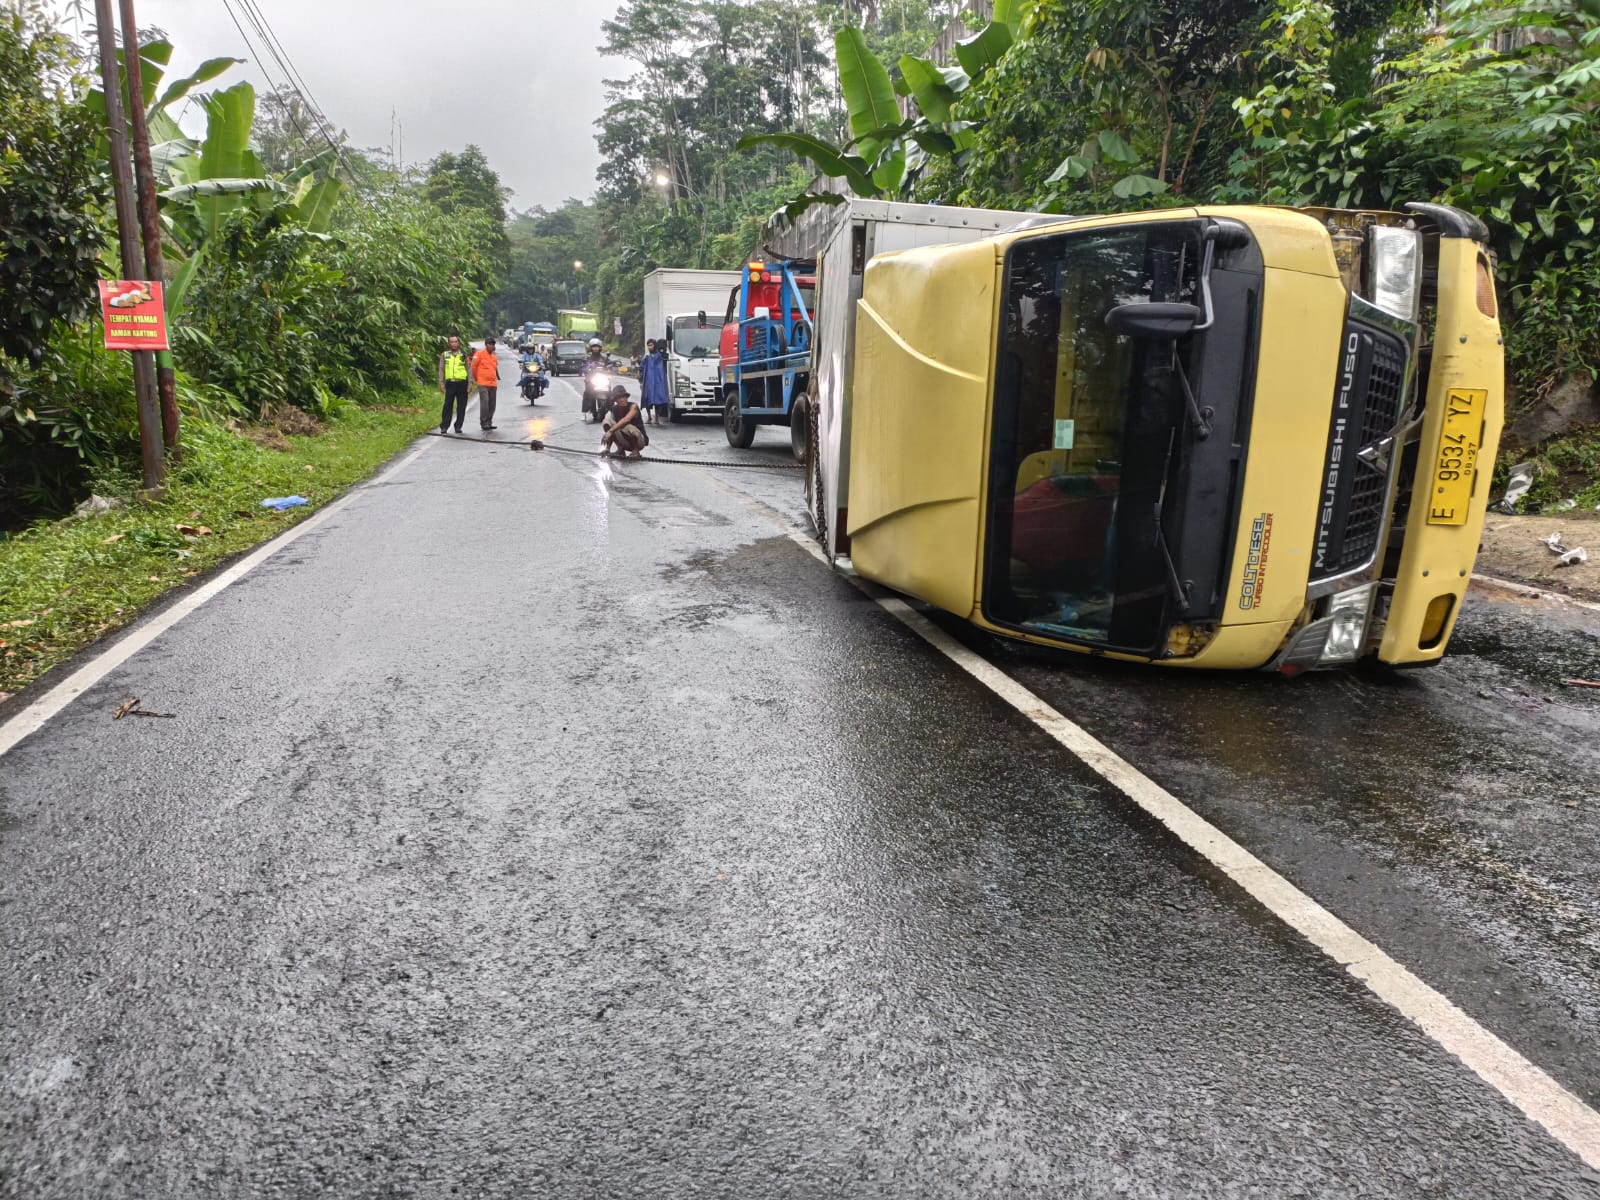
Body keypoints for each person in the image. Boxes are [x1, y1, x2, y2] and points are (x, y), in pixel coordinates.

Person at [600, 384, 647, 459]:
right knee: (607, 421)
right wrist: (607, 448)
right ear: (615, 400)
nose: (622, 400)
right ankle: (620, 449)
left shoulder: (633, 406)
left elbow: (626, 419)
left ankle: (635, 450)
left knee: (626, 426)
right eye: (619, 398)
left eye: (623, 397)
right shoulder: (615, 409)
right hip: (624, 440)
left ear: (626, 397)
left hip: (639, 440)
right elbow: (611, 425)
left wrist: (611, 431)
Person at [438, 334, 470, 434]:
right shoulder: (445, 355)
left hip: (462, 383)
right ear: (449, 343)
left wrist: (470, 383)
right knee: (447, 405)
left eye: (455, 341)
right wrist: (442, 383)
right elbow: (441, 369)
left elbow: (469, 370)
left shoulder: (463, 355)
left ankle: (458, 426)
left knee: (461, 406)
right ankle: (444, 426)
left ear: (458, 343)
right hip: (450, 384)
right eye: (452, 342)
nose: (454, 344)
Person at [470, 336, 500, 431]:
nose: (491, 346)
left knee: (492, 404)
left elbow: (495, 369)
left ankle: (489, 421)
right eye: (489, 344)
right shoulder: (479, 354)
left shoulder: (494, 357)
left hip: (493, 384)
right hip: (482, 383)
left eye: (493, 344)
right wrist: (476, 379)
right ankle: (483, 422)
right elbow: (473, 367)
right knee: (485, 402)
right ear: (486, 345)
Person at [639, 337, 669, 425]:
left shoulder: (660, 356)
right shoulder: (646, 357)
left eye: (651, 345)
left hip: (658, 382)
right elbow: (641, 368)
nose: (649, 347)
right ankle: (649, 417)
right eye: (648, 346)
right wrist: (640, 380)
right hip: (648, 382)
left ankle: (656, 418)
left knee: (658, 400)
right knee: (647, 399)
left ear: (655, 345)